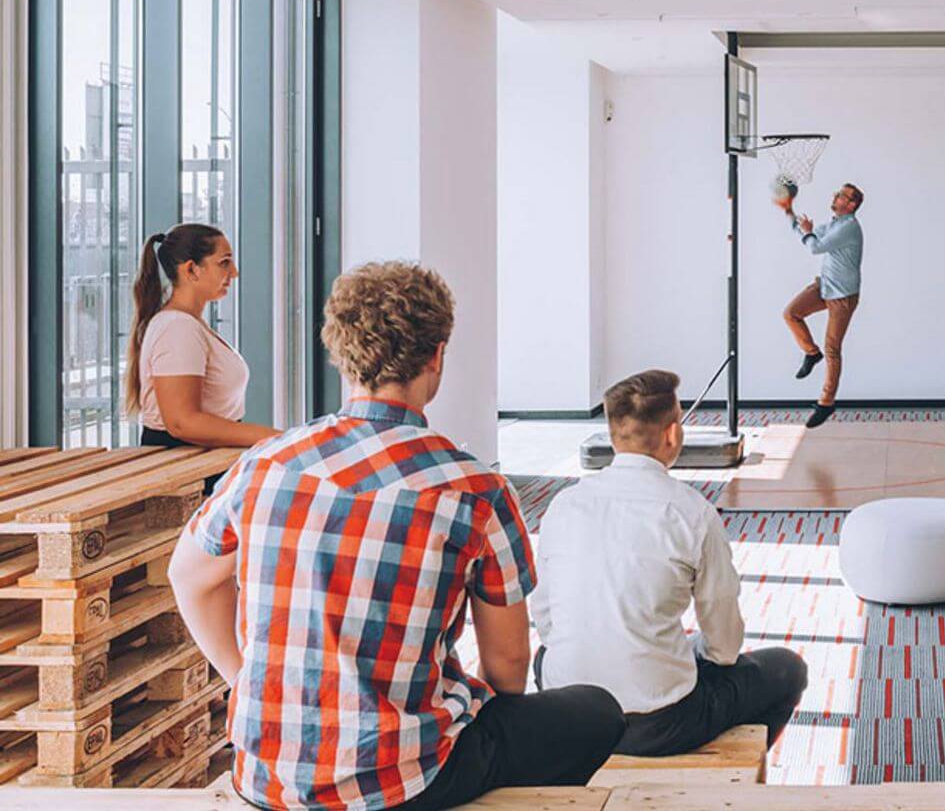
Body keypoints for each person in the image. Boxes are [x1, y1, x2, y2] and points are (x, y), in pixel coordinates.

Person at [168, 262, 623, 811]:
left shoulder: (265, 465)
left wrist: (245, 680)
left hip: (267, 780)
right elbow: (507, 669)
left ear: (341, 354)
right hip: (404, 783)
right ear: (436, 356)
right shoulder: (474, 491)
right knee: (597, 712)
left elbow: (189, 577)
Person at [531, 369, 808, 755]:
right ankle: (727, 765)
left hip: (568, 712)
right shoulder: (691, 512)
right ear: (673, 433)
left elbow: (545, 619)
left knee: (547, 655)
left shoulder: (563, 505)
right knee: (786, 669)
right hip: (658, 724)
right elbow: (724, 647)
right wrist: (694, 653)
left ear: (612, 435)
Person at [127, 224, 278, 447]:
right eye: (224, 262)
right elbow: (182, 422)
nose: (234, 272)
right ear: (191, 270)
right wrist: (279, 438)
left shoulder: (189, 324)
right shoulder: (177, 327)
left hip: (204, 458)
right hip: (186, 467)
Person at [780, 183, 865, 428]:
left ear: (851, 205)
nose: (835, 196)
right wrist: (789, 212)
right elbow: (810, 234)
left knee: (833, 349)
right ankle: (810, 352)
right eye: (837, 192)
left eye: (841, 195)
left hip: (843, 296)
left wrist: (807, 232)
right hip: (826, 286)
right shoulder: (836, 223)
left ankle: (826, 403)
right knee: (791, 313)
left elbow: (815, 246)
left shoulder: (849, 227)